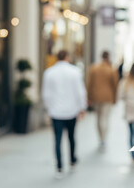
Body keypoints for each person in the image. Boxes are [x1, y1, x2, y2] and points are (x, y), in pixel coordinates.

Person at [41, 50, 87, 179]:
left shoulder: (49, 73)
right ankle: (72, 160)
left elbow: (46, 94)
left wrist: (48, 108)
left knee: (57, 139)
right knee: (72, 137)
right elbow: (80, 91)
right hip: (71, 110)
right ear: (67, 57)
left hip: (56, 111)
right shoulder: (75, 72)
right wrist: (82, 107)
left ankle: (59, 167)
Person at [87, 51, 119, 150]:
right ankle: (103, 139)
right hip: (107, 97)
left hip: (96, 97)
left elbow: (89, 84)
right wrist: (114, 98)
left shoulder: (94, 68)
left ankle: (100, 138)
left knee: (98, 118)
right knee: (104, 118)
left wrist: (89, 97)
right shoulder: (111, 69)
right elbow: (115, 85)